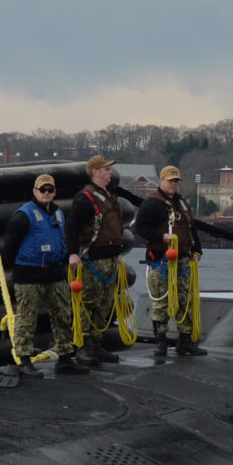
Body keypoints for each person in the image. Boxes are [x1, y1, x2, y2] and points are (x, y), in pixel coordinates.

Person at [0, 171, 83, 372]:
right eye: (42, 189)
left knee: (62, 314)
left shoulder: (59, 213)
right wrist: (21, 267)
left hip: (55, 274)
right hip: (29, 276)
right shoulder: (22, 216)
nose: (46, 192)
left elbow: (64, 239)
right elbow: (9, 247)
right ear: (35, 191)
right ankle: (24, 359)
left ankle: (64, 356)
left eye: (49, 189)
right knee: (27, 318)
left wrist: (69, 257)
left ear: (54, 192)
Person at [62, 155, 132, 365]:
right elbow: (71, 227)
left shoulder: (109, 196)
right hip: (92, 261)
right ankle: (82, 347)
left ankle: (96, 345)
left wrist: (117, 250)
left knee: (105, 305)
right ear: (95, 172)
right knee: (87, 304)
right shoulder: (85, 198)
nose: (110, 172)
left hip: (110, 258)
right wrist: (73, 253)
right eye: (106, 169)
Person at [133, 165, 209, 356]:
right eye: (170, 180)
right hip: (162, 261)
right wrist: (161, 237)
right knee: (161, 304)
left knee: (186, 301)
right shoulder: (153, 203)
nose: (174, 184)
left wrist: (198, 251)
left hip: (183, 261)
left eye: (176, 181)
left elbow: (191, 228)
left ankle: (185, 341)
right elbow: (140, 228)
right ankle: (161, 342)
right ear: (161, 181)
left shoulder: (181, 203)